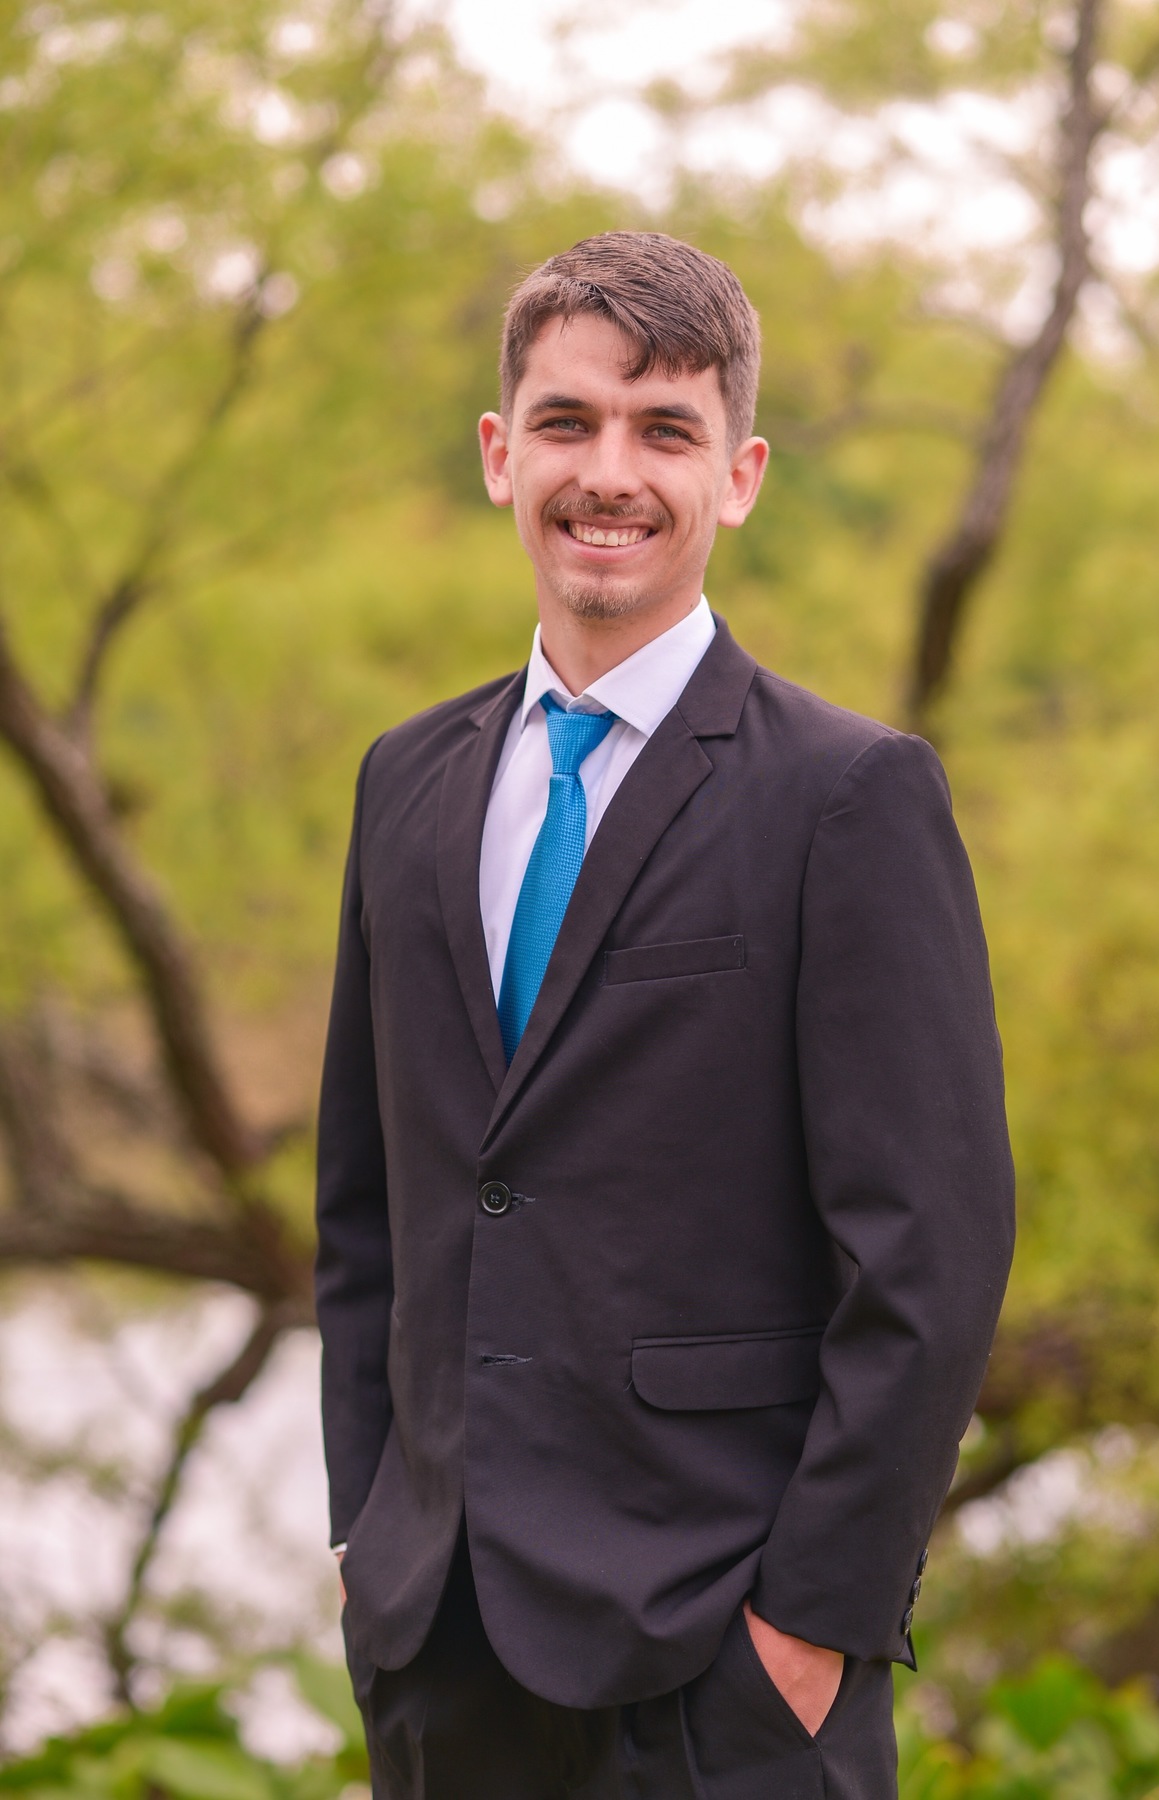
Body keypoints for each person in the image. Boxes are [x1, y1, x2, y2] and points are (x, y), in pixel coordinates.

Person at [315, 230, 1015, 1800]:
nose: (608, 473)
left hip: (724, 1673)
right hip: (440, 1654)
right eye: (566, 422)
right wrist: (369, 1539)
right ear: (500, 455)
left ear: (739, 475)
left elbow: (931, 1253)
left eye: (665, 430)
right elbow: (369, 1217)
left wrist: (812, 1625)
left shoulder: (848, 797)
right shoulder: (403, 783)